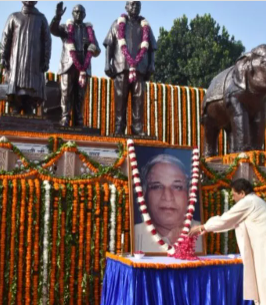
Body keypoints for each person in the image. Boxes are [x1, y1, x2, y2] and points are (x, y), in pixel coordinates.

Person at [189, 179, 266, 305]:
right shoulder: (255, 201)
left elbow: (226, 219)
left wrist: (202, 227)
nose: (233, 198)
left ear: (242, 193)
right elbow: (232, 222)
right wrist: (207, 228)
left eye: (234, 194)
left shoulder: (248, 202)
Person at [103, 1, 157, 136]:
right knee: (120, 99)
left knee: (139, 99)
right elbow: (109, 44)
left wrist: (152, 64)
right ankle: (119, 127)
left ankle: (137, 127)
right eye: (132, 5)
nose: (135, 8)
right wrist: (107, 63)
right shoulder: (117, 23)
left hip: (140, 68)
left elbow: (152, 48)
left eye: (138, 5)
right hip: (121, 66)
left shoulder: (145, 26)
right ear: (126, 7)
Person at [134, 154, 203, 252]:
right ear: (144, 194)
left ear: (189, 194)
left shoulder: (203, 233)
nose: (167, 197)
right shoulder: (134, 234)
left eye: (177, 187)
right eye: (157, 187)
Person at [50, 2, 101, 127]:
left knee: (80, 96)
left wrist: (89, 46)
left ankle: (78, 120)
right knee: (66, 93)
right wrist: (57, 17)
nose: (78, 14)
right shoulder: (66, 27)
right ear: (72, 13)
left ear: (84, 15)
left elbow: (97, 50)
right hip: (68, 65)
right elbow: (53, 30)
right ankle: (65, 118)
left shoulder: (89, 30)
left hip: (84, 67)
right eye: (76, 12)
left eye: (81, 12)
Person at [0, 1, 51, 115]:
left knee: (32, 85)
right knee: (16, 84)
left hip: (35, 60)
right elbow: (6, 37)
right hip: (16, 59)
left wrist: (46, 59)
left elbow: (47, 41)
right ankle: (16, 106)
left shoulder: (41, 19)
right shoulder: (14, 17)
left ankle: (29, 106)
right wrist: (3, 56)